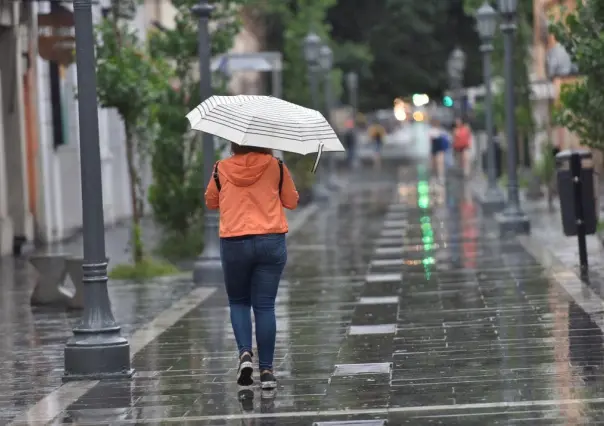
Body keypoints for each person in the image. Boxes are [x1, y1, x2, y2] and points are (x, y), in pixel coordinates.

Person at [205, 143, 299, 390]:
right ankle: (267, 371)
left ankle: (245, 354)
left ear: (235, 142)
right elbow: (291, 201)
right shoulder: (276, 166)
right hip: (270, 240)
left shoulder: (221, 168)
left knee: (238, 302)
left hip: (234, 241)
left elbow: (211, 202)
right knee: (265, 305)